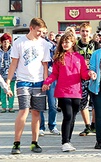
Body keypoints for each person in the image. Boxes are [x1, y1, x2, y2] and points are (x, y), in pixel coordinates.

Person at [6, 18, 51, 154]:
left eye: (42, 32)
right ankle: (16, 142)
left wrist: (46, 81)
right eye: (38, 31)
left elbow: (45, 64)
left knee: (37, 112)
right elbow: (14, 63)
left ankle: (34, 142)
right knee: (24, 110)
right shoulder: (19, 42)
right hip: (23, 80)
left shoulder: (44, 44)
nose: (40, 34)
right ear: (31, 28)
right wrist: (8, 81)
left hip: (38, 81)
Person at [42, 32, 93, 152]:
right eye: (63, 42)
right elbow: (54, 74)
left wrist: (90, 74)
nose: (65, 44)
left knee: (73, 117)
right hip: (63, 91)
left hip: (76, 91)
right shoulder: (58, 58)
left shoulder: (79, 58)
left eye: (67, 42)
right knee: (68, 115)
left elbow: (84, 74)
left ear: (73, 43)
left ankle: (68, 140)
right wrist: (47, 82)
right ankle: (65, 142)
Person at [76, 23, 100, 136]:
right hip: (81, 77)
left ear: (90, 32)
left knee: (95, 102)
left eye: (87, 31)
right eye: (83, 31)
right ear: (79, 32)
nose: (85, 33)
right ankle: (87, 126)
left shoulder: (95, 44)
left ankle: (95, 125)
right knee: (83, 102)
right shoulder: (76, 45)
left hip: (94, 76)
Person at [39, 30, 60, 136]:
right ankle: (41, 127)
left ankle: (52, 125)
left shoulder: (51, 46)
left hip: (51, 77)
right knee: (40, 105)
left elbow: (56, 61)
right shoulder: (34, 45)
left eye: (43, 32)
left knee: (52, 104)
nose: (42, 34)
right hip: (38, 78)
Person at [0, 33, 16, 112]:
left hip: (12, 75)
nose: (5, 44)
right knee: (3, 92)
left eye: (7, 42)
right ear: (1, 43)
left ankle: (11, 106)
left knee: (11, 91)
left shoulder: (13, 51)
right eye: (4, 42)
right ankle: (3, 107)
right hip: (1, 75)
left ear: (9, 42)